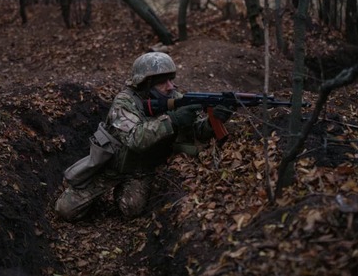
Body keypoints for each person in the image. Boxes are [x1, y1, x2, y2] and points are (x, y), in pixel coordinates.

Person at [55, 52, 232, 221]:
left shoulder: (175, 98)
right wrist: (172, 120)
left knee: (131, 209)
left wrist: (212, 121)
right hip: (111, 166)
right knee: (66, 210)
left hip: (141, 170)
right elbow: (135, 139)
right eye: (162, 82)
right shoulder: (124, 102)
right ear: (145, 83)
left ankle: (120, 192)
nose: (170, 86)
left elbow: (196, 132)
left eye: (171, 80)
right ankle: (96, 196)